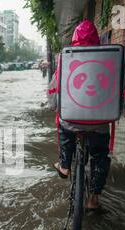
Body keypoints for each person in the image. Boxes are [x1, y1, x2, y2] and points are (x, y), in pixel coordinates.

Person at [52, 20, 111, 210]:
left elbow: (55, 89)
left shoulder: (67, 57)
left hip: (72, 120)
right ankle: (93, 199)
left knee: (64, 126)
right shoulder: (108, 57)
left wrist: (54, 106)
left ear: (74, 39)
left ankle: (65, 165)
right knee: (100, 155)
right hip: (100, 121)